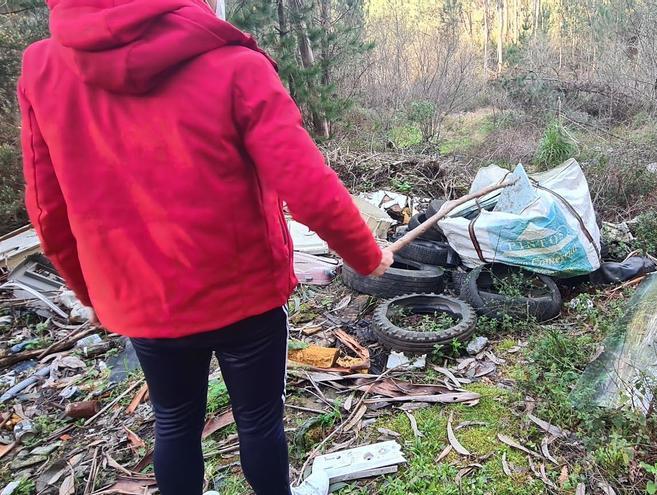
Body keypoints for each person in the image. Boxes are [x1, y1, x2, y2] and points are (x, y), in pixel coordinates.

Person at [17, 0, 393, 493]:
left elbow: (47, 209)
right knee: (259, 422)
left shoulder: (43, 68)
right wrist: (367, 254)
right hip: (245, 297)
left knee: (173, 421)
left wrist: (92, 292)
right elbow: (305, 183)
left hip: (144, 301)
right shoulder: (233, 63)